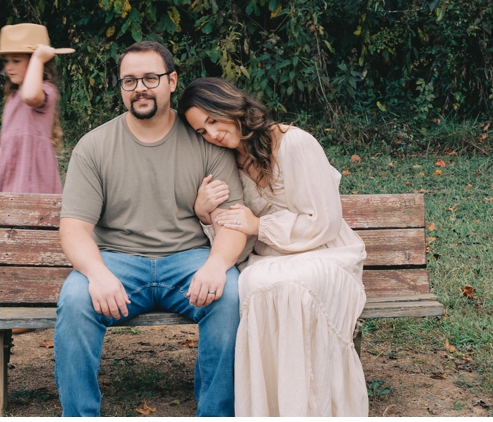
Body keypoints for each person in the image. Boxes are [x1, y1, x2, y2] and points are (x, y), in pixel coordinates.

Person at [54, 41, 248, 417]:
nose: (139, 88)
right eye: (129, 80)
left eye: (150, 78)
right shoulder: (94, 147)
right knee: (76, 299)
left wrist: (215, 264)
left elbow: (233, 220)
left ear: (172, 81)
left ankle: (216, 414)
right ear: (121, 88)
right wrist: (96, 273)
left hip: (189, 260)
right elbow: (74, 229)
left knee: (230, 295)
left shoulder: (204, 139)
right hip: (116, 262)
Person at [180, 77, 369, 417]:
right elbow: (237, 249)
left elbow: (324, 220)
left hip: (324, 251)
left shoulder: (294, 142)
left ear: (229, 105)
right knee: (254, 285)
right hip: (268, 257)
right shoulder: (227, 165)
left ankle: (310, 407)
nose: (212, 134)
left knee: (295, 288)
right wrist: (205, 215)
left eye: (212, 119)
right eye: (201, 132)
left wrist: (259, 225)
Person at [0, 23, 73, 194]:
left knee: (31, 217)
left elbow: (31, 96)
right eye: (6, 61)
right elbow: (11, 144)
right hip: (13, 176)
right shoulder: (13, 97)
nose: (9, 67)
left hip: (34, 178)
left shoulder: (44, 91)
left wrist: (38, 59)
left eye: (16, 61)